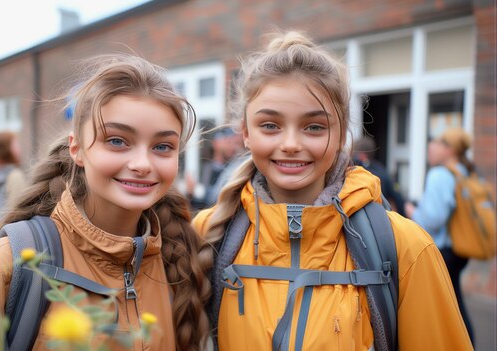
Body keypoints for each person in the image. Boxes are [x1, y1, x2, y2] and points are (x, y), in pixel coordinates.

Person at [193, 31, 472, 350]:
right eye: (270, 125)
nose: (291, 145)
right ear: (245, 132)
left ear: (341, 135)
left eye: (314, 126)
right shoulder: (208, 234)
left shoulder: (405, 247)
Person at [0, 54, 211, 351]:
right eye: (116, 141)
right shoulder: (3, 266)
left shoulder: (180, 259)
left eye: (163, 146)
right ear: (77, 149)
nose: (142, 164)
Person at [404, 128, 476, 345]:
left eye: (434, 143)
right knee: (454, 300)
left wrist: (412, 212)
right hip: (459, 250)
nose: (430, 148)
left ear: (449, 149)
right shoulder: (463, 171)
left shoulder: (440, 174)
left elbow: (432, 220)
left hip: (443, 251)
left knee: (442, 305)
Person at [352, 135, 407, 217]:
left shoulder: (353, 172)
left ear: (362, 155)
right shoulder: (382, 170)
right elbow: (398, 197)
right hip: (382, 218)